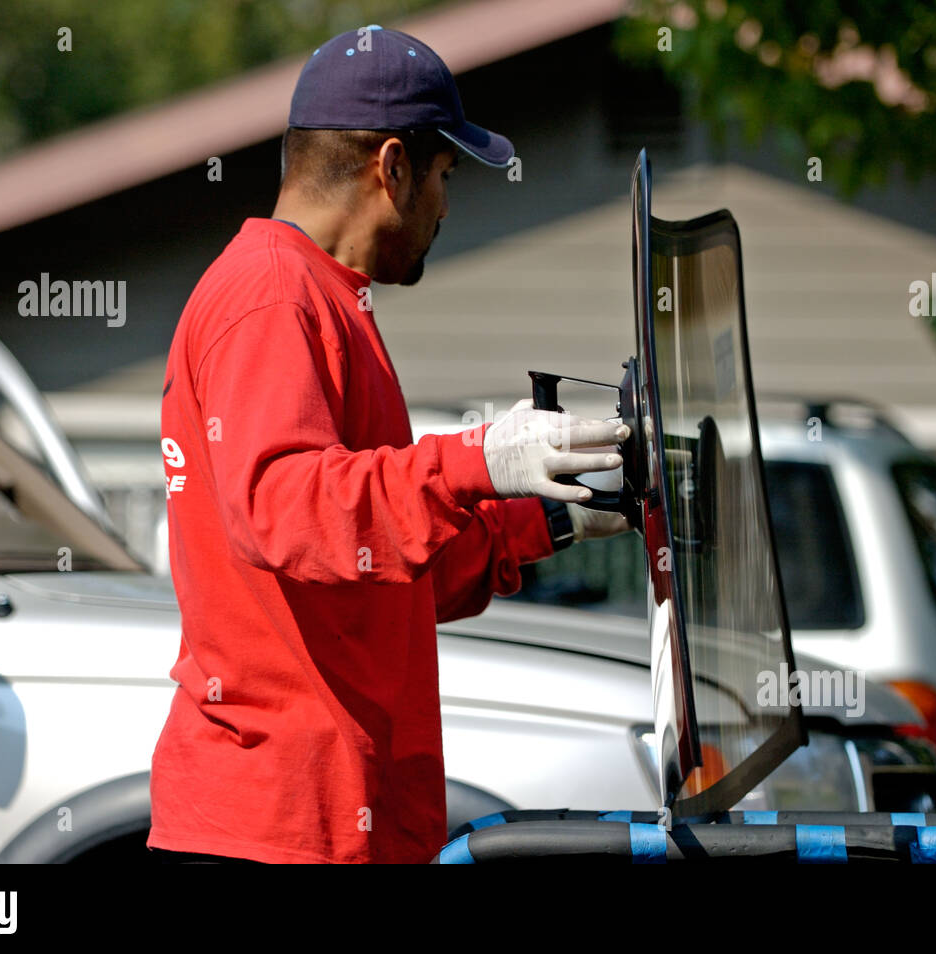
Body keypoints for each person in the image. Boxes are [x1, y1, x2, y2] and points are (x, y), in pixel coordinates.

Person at [147, 25, 629, 864]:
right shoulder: (272, 296)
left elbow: (377, 566)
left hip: (330, 820)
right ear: (392, 167)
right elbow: (283, 510)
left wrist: (547, 517)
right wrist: (479, 458)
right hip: (275, 830)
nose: (448, 204)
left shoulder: (320, 297)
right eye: (445, 176)